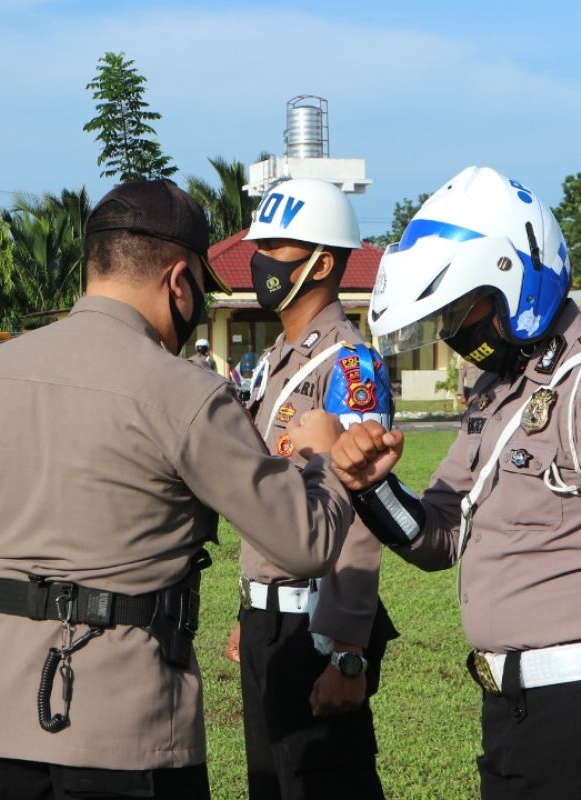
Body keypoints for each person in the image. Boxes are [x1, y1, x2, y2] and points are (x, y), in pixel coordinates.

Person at [0, 180, 362, 800]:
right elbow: (304, 542)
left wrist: (31, 527)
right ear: (180, 284)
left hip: (8, 729)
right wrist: (326, 460)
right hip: (135, 733)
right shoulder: (186, 394)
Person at [329, 167, 581, 800]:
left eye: (457, 310)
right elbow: (439, 535)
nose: (449, 333)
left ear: (512, 282)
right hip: (515, 712)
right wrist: (368, 487)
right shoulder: (498, 393)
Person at [229, 177, 397, 800]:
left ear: (322, 262)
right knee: (271, 785)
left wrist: (349, 649)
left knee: (324, 785)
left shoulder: (350, 366)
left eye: (278, 247)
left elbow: (360, 505)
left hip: (318, 629)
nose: (262, 261)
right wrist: (250, 607)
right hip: (267, 619)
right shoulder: (280, 358)